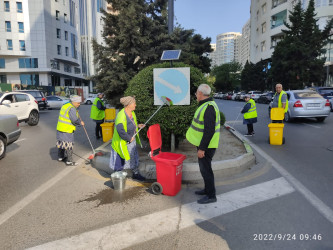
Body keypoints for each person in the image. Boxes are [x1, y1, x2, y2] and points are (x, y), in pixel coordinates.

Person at [186, 84, 221, 204]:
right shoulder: (207, 104)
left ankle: (211, 196)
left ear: (201, 93)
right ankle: (207, 190)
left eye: (196, 92)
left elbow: (209, 130)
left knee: (206, 170)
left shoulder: (209, 107)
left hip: (207, 146)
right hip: (206, 144)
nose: (196, 94)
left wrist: (202, 149)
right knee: (204, 169)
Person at [109, 96, 146, 181]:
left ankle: (135, 173)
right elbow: (120, 130)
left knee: (133, 157)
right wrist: (128, 138)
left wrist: (138, 126)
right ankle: (118, 178)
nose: (135, 105)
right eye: (134, 103)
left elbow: (130, 125)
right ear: (128, 104)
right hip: (121, 142)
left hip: (130, 141)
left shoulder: (132, 113)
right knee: (120, 159)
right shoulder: (121, 115)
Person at [56, 95, 84, 166]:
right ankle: (69, 161)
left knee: (61, 143)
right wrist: (80, 123)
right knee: (69, 145)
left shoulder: (65, 105)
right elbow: (74, 119)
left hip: (60, 128)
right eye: (78, 103)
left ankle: (60, 157)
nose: (79, 104)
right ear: (73, 102)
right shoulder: (72, 108)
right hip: (67, 129)